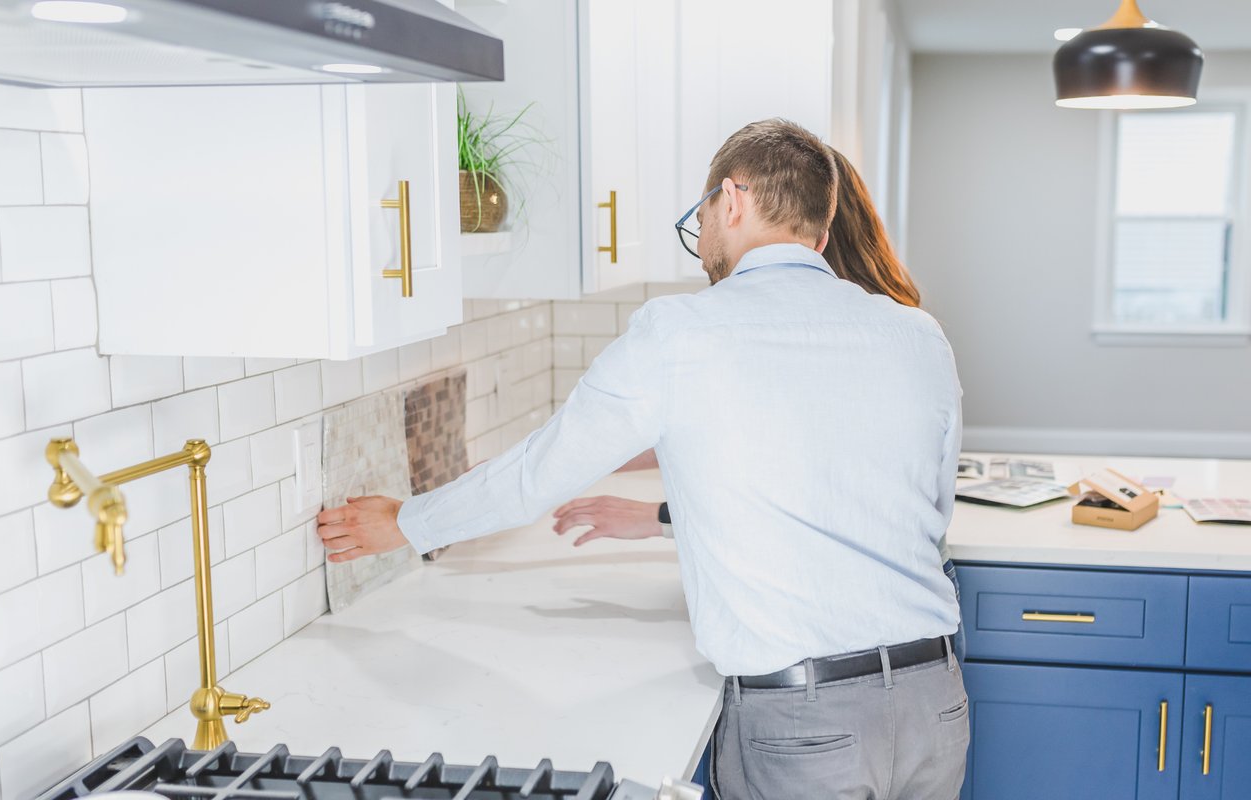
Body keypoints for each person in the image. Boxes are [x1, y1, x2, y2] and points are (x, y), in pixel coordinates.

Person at [316, 119, 967, 800]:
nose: (703, 240)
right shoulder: (917, 335)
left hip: (803, 724)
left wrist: (407, 521)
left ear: (732, 200)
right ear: (822, 235)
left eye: (703, 214)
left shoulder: (680, 332)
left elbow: (541, 471)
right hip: (936, 706)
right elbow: (922, 515)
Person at [554, 143, 968, 662]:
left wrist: (655, 514)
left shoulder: (851, 326)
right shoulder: (892, 327)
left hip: (859, 630)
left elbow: (814, 484)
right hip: (916, 643)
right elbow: (748, 434)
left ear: (819, 235)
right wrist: (565, 460)